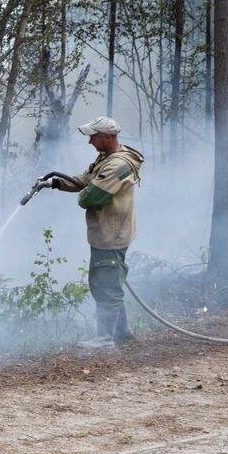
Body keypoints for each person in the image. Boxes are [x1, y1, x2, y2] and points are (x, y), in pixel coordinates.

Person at [36, 115, 145, 349]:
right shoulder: (106, 159)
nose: (90, 142)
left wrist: (86, 191)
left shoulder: (119, 165)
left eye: (93, 137)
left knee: (106, 285)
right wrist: (54, 183)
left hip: (112, 235)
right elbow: (84, 180)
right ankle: (121, 332)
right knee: (109, 282)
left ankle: (104, 339)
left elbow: (90, 196)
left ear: (107, 137)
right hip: (105, 233)